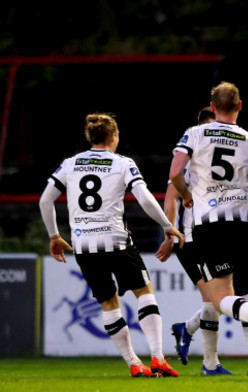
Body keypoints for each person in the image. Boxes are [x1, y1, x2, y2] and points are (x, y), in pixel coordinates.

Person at [38, 113, 184, 378]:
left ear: (90, 137)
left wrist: (54, 236)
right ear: (114, 136)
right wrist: (167, 225)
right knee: (145, 292)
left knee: (108, 302)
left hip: (83, 245)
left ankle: (133, 363)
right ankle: (157, 358)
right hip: (115, 240)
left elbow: (45, 201)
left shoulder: (70, 164)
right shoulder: (122, 163)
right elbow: (144, 197)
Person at [169, 81, 248, 375]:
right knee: (244, 290)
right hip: (243, 224)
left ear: (212, 107)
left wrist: (185, 195)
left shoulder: (195, 134)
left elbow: (174, 173)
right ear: (240, 106)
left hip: (210, 226)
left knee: (220, 299)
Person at [156, 107, 233, 377]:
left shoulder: (222, 159)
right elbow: (170, 198)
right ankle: (210, 364)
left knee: (219, 300)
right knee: (215, 299)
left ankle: (186, 330)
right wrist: (171, 233)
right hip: (190, 240)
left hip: (216, 238)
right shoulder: (187, 161)